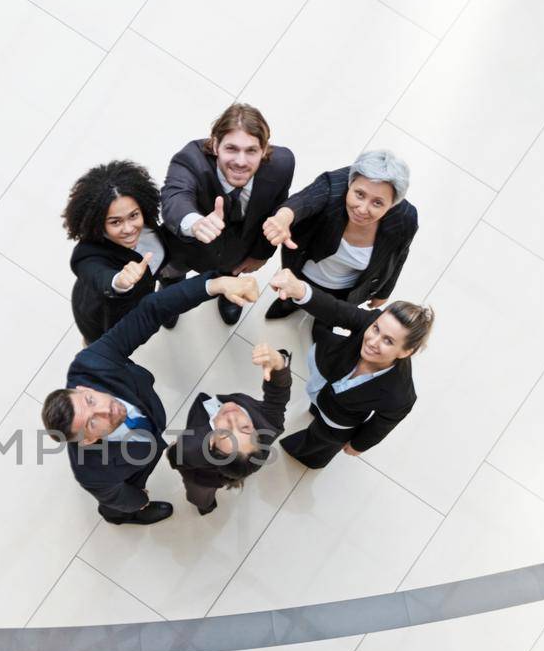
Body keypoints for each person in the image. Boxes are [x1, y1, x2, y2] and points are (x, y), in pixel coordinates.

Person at [41, 273, 260, 525]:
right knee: (116, 506)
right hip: (130, 471)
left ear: (83, 389)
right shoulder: (91, 471)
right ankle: (125, 518)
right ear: (89, 440)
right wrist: (138, 502)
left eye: (90, 401)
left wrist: (215, 285)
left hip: (148, 417)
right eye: (92, 422)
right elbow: (115, 495)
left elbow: (151, 310)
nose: (106, 409)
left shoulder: (92, 364)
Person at [266, 269, 433, 469]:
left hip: (340, 418)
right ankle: (315, 407)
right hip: (325, 374)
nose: (373, 341)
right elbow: (336, 310)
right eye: (376, 329)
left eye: (388, 341)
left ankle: (307, 454)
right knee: (317, 403)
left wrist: (358, 445)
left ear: (406, 352)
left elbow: (383, 424)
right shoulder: (370, 321)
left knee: (319, 443)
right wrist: (300, 290)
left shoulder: (400, 395)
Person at [161, 103, 295, 326]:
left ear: (264, 150)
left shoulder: (282, 165)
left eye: (251, 150)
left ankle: (229, 287)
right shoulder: (189, 160)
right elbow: (175, 197)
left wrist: (262, 254)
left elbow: (275, 210)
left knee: (231, 270)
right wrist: (195, 224)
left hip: (237, 252)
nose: (241, 162)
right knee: (172, 273)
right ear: (215, 145)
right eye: (231, 149)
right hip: (187, 249)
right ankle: (171, 291)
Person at [261, 149, 418, 318]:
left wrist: (384, 292)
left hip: (348, 290)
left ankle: (323, 323)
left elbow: (399, 255)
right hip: (305, 270)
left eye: (378, 203)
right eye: (359, 194)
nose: (362, 209)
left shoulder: (405, 219)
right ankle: (289, 304)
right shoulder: (333, 184)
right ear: (350, 184)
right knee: (293, 295)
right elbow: (305, 200)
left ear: (392, 205)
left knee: (331, 315)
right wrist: (284, 217)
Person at [166, 343, 293, 515]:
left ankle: (205, 507)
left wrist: (173, 449)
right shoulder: (269, 424)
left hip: (203, 477)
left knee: (200, 495)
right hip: (233, 467)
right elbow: (278, 396)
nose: (233, 417)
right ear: (257, 432)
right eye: (245, 427)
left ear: (211, 441)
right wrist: (279, 364)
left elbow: (176, 458)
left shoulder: (190, 446)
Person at [63, 160, 181, 343]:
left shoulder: (147, 221)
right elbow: (98, 274)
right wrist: (118, 282)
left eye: (133, 215)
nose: (129, 229)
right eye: (115, 222)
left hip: (148, 288)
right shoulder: (86, 254)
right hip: (103, 313)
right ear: (99, 222)